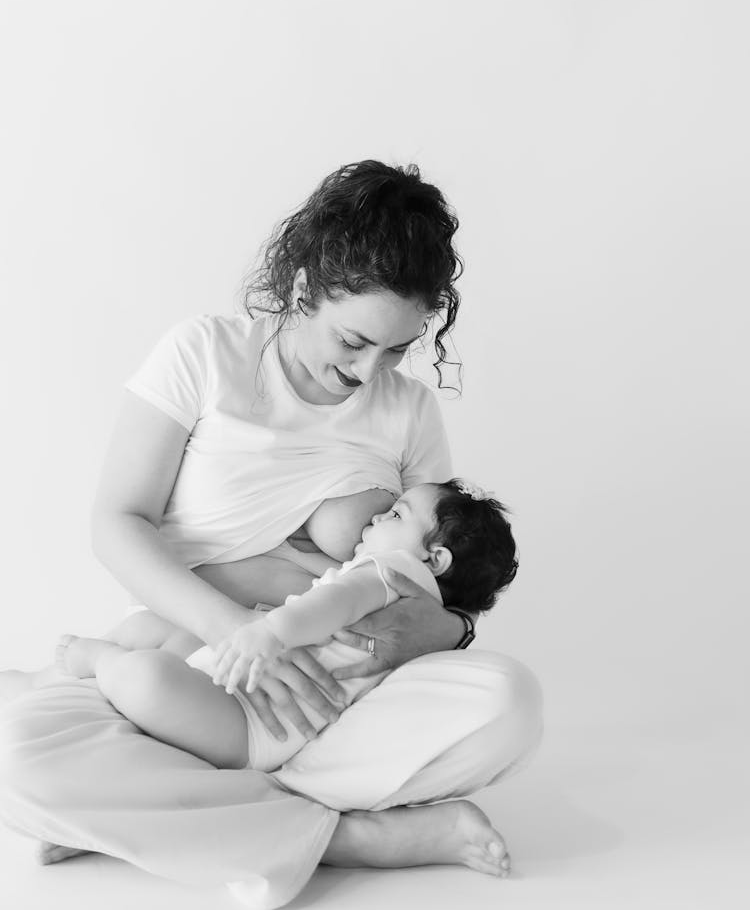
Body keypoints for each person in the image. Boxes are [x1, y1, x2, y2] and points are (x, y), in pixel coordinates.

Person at [0, 160, 543, 910]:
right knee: (15, 758)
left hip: (327, 702)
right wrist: (239, 624)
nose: (370, 369)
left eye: (396, 349)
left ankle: (174, 812)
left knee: (511, 700)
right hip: (188, 667)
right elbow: (115, 524)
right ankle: (355, 837)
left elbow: (440, 585)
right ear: (301, 289)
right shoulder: (204, 356)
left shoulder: (409, 411)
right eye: (355, 340)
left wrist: (408, 634)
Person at [50, 480, 519, 795]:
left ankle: (95, 660)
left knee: (144, 677)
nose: (376, 519)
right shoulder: (423, 606)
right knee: (154, 643)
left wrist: (268, 634)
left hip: (248, 719)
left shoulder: (394, 571)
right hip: (262, 716)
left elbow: (332, 604)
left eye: (396, 515)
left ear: (434, 559)